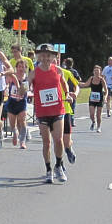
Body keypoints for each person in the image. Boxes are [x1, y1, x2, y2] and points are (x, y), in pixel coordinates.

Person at [28, 43, 70, 183]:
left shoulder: (58, 70)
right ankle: (48, 169)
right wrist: (24, 90)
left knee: (58, 140)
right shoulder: (34, 73)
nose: (46, 58)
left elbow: (64, 84)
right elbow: (26, 85)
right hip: (42, 112)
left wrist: (68, 94)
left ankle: (58, 165)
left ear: (53, 57)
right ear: (39, 56)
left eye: (49, 56)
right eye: (43, 55)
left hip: (58, 110)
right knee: (46, 142)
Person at [59, 60, 80, 164]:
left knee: (66, 141)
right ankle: (60, 163)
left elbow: (77, 85)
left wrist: (75, 93)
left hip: (65, 110)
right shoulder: (44, 74)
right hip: (52, 111)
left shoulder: (66, 73)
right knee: (57, 140)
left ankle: (69, 149)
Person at [5, 59, 29, 149]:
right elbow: (6, 84)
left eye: (23, 67)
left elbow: (26, 89)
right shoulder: (12, 76)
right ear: (16, 67)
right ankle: (15, 133)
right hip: (12, 101)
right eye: (19, 67)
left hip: (22, 102)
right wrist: (6, 88)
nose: (21, 69)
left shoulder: (26, 78)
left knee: (22, 121)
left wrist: (21, 94)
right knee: (12, 123)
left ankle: (22, 142)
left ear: (25, 68)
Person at [79, 65, 107, 133]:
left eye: (98, 71)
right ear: (93, 72)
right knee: (91, 114)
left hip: (100, 98)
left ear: (100, 72)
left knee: (98, 114)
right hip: (92, 98)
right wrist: (76, 83)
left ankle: (99, 127)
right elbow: (85, 84)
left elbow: (106, 90)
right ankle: (93, 122)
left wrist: (105, 98)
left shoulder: (101, 79)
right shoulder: (91, 78)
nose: (96, 72)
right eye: (95, 71)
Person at [62, 58, 81, 126]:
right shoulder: (73, 71)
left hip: (65, 91)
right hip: (72, 90)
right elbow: (79, 79)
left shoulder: (63, 71)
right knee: (72, 106)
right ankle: (72, 120)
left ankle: (68, 119)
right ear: (72, 63)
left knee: (66, 106)